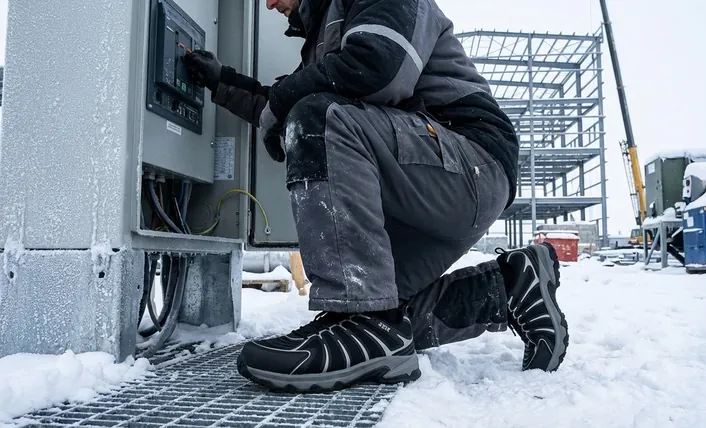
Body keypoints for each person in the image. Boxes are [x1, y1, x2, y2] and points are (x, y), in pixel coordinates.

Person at [183, 0, 568, 392]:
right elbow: (282, 101)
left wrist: (286, 104)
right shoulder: (326, 35)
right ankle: (509, 287)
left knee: (318, 116)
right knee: (387, 311)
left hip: (469, 162)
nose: (268, 4)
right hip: (430, 179)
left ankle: (365, 324)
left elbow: (377, 66)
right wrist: (220, 81)